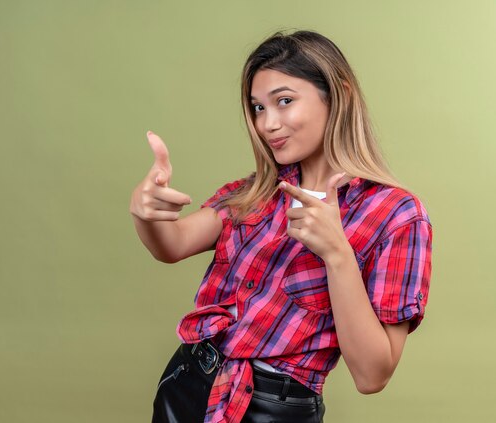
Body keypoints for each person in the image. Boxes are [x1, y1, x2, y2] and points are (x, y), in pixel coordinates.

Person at [130, 29, 433, 423]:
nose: (267, 124)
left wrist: (337, 253)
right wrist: (146, 211)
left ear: (338, 94)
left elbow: (372, 375)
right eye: (257, 108)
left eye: (284, 102)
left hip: (271, 410)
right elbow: (171, 245)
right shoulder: (255, 191)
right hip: (187, 386)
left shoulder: (396, 216)